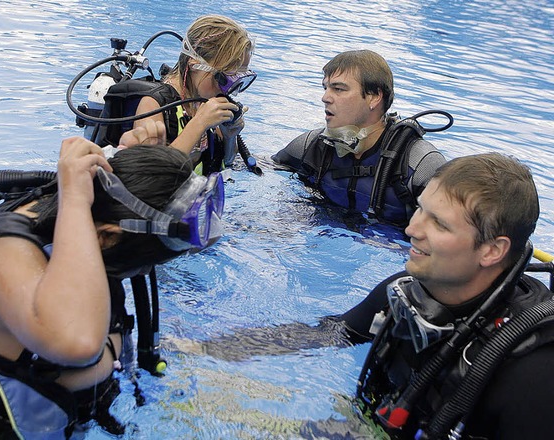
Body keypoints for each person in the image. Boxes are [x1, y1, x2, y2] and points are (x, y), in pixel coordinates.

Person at [176, 153, 554, 439]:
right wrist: (203, 348)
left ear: (491, 250)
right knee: (195, 410)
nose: (411, 229)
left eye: (438, 224)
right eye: (421, 210)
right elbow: (331, 332)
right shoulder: (407, 291)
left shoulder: (531, 373)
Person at [0, 122, 225, 439]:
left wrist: (146, 164)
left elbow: (139, 203)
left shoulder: (92, 217)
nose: (142, 273)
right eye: (144, 265)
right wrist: (73, 199)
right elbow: (79, 343)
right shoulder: (6, 255)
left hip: (76, 412)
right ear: (107, 237)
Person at [272, 50, 447, 226]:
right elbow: (260, 169)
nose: (325, 98)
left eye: (338, 89)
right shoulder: (312, 146)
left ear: (374, 97)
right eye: (326, 88)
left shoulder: (418, 164)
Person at [98, 14, 256, 175]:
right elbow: (151, 179)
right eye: (224, 79)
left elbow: (224, 163)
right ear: (195, 65)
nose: (227, 90)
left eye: (237, 81)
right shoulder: (153, 104)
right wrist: (199, 124)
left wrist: (230, 137)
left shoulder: (204, 102)